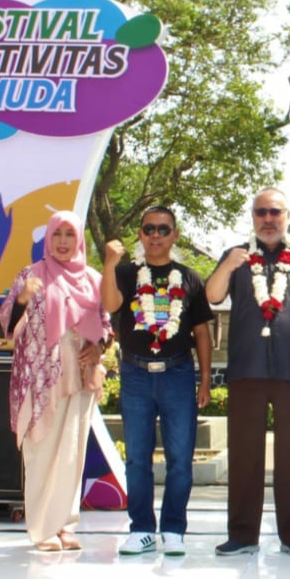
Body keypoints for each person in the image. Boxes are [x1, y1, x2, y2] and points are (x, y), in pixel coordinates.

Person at [205, 188, 290, 558]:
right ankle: (243, 534)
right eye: (261, 212)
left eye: (275, 212)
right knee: (245, 455)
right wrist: (228, 265)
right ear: (253, 217)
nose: (268, 219)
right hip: (247, 369)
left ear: (286, 215)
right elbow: (212, 296)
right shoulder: (237, 255)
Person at [100, 206, 214, 556]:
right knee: (137, 458)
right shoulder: (125, 273)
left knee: (180, 457)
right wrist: (109, 263)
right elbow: (110, 304)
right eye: (149, 229)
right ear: (140, 233)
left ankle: (174, 529)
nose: (156, 236)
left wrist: (205, 379)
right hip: (135, 374)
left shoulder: (190, 278)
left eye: (163, 230)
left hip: (178, 374)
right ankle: (142, 529)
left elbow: (202, 332)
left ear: (174, 235)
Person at [0, 211, 112, 552]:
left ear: (79, 239)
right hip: (40, 379)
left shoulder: (93, 279)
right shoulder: (31, 275)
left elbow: (106, 324)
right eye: (57, 234)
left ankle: (65, 524)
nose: (63, 241)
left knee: (72, 453)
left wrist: (99, 347)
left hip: (80, 376)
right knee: (41, 452)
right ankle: (42, 528)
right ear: (48, 238)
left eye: (69, 234)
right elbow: (7, 323)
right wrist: (22, 299)